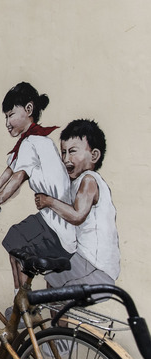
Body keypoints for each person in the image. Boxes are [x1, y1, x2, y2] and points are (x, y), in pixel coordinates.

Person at [0, 82, 76, 294]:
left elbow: (18, 176)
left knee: (16, 241)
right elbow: (10, 169)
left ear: (29, 110)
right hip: (54, 222)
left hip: (58, 227)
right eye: (5, 117)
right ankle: (21, 302)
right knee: (15, 242)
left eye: (10, 115)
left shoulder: (33, 141)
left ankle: (23, 305)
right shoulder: (32, 141)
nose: (7, 122)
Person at [34, 119, 119, 289]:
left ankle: (56, 316)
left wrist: (48, 201)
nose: (66, 159)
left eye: (72, 151)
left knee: (53, 282)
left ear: (94, 155)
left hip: (94, 263)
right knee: (55, 284)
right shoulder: (77, 182)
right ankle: (58, 316)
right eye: (63, 152)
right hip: (94, 263)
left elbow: (77, 215)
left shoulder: (89, 180)